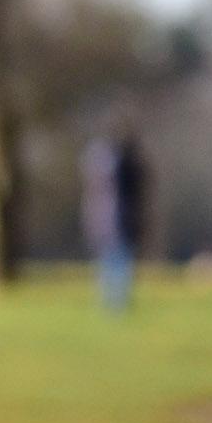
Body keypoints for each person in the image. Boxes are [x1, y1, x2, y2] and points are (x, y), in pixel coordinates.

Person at [83, 116, 153, 312]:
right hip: (119, 220)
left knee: (114, 260)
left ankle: (113, 302)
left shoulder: (101, 161)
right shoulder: (126, 163)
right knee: (118, 260)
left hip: (109, 221)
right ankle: (116, 302)